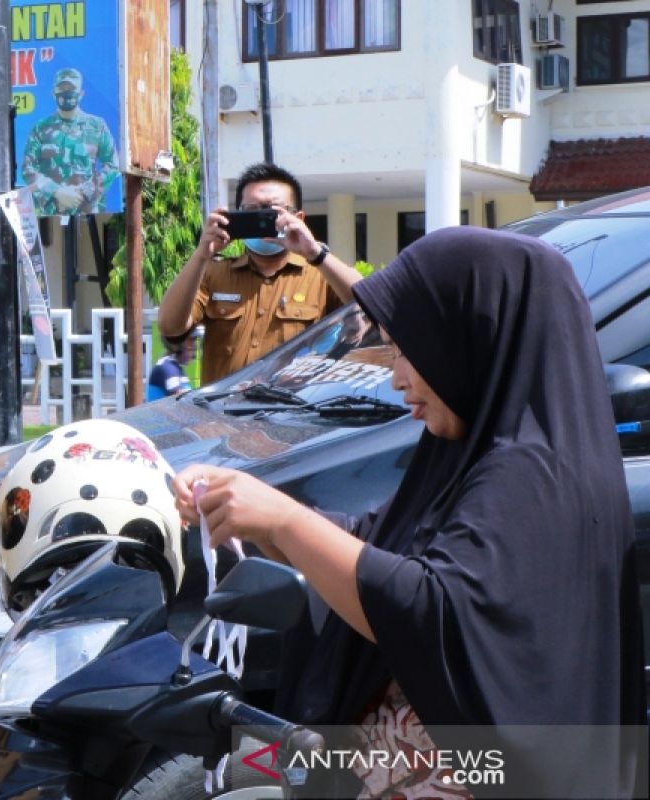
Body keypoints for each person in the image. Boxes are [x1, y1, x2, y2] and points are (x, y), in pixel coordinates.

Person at [174, 227, 646, 797]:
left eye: (408, 351)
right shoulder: (467, 452)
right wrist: (253, 509)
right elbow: (377, 546)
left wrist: (284, 521)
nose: (397, 378)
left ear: (473, 340)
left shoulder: (530, 472)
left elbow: (433, 614)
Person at [158, 162, 362, 385]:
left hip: (289, 414)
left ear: (298, 218)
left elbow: (368, 302)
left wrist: (314, 252)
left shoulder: (319, 274)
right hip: (222, 413)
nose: (261, 221)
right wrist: (200, 256)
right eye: (251, 212)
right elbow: (171, 327)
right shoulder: (214, 272)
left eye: (272, 212)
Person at [21, 67, 119, 216]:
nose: (66, 93)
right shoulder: (40, 129)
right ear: (53, 94)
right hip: (50, 215)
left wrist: (83, 192)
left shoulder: (97, 126)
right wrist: (57, 191)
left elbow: (112, 165)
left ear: (81, 94)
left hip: (87, 213)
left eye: (71, 89)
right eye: (62, 89)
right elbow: (28, 170)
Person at [146, 326, 199, 401]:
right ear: (176, 342)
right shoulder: (166, 367)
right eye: (190, 340)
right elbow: (182, 399)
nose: (194, 345)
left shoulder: (176, 367)